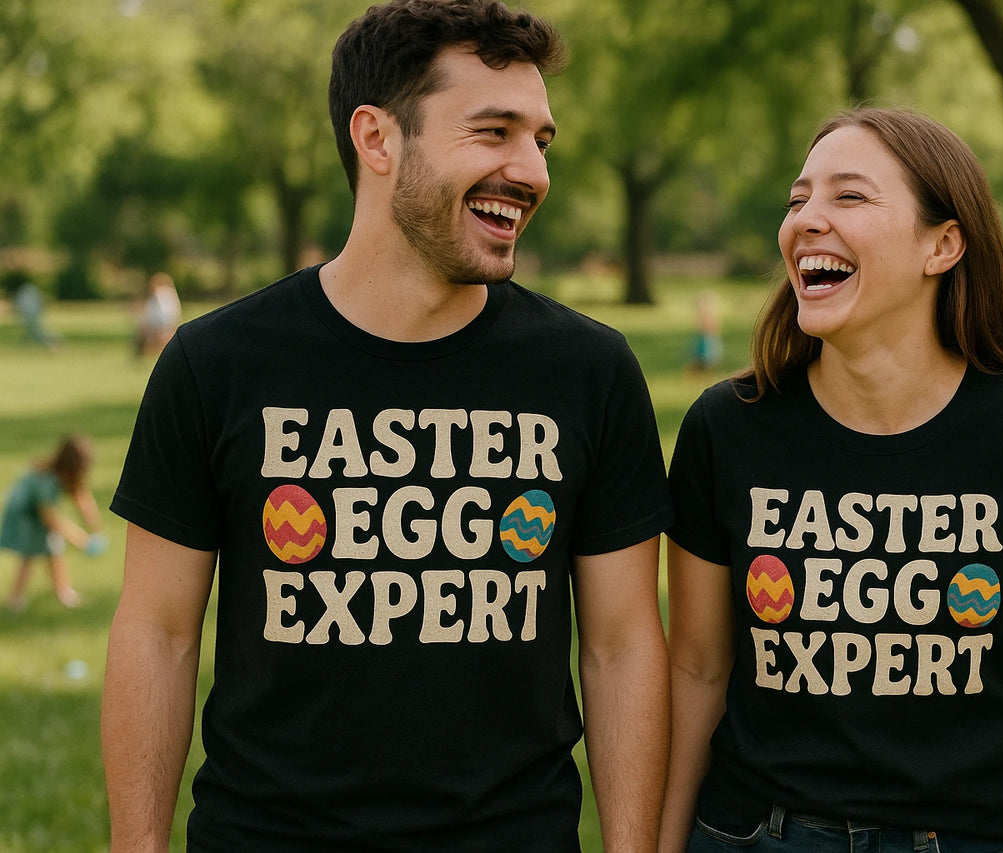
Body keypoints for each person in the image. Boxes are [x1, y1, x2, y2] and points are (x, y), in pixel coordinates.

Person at [101, 2, 672, 851]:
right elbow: (158, 631)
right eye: (494, 131)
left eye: (540, 140)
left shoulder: (589, 372)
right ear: (377, 139)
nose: (531, 170)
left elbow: (623, 645)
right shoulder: (216, 364)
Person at [660, 107, 1003, 853]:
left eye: (848, 197)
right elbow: (696, 669)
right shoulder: (726, 427)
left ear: (943, 244)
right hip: (757, 834)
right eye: (797, 200)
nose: (807, 220)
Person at [2, 434, 106, 610]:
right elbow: (50, 518)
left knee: (53, 551)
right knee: (30, 554)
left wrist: (96, 530)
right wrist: (82, 540)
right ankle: (16, 599)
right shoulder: (47, 481)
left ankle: (62, 591)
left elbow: (82, 500)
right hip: (24, 514)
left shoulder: (65, 476)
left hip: (35, 512)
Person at [133, 271, 182, 357]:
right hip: (159, 325)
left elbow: (164, 315)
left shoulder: (162, 295)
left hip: (162, 327)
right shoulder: (161, 297)